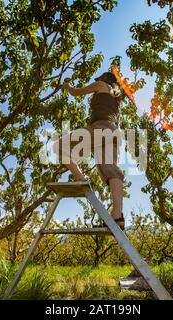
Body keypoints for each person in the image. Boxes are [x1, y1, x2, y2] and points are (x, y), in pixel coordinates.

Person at [53, 71, 125, 229]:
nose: (97, 81)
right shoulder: (116, 97)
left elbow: (76, 92)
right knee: (110, 169)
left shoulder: (101, 85)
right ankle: (118, 216)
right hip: (113, 133)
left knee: (58, 146)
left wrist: (67, 86)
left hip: (100, 128)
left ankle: (80, 178)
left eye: (98, 79)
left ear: (103, 79)